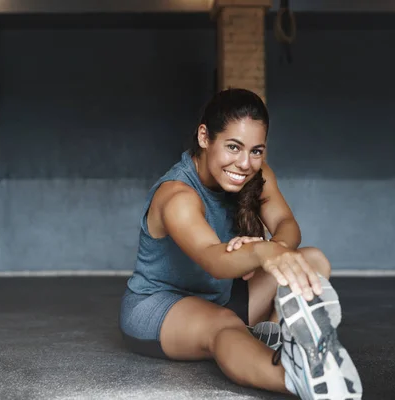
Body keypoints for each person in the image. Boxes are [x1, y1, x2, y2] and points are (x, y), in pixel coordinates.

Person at [119, 88, 362, 399]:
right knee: (223, 325)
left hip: (221, 298)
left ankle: (272, 338)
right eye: (233, 147)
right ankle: (300, 377)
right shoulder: (177, 196)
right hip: (158, 307)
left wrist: (273, 252)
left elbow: (287, 226)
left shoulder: (255, 175)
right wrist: (261, 252)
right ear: (205, 137)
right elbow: (215, 260)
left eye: (256, 151)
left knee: (312, 262)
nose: (245, 163)